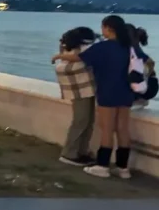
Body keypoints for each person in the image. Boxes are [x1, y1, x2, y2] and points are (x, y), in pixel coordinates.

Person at [53, 15, 149, 179]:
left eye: (103, 27)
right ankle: (123, 168)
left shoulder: (103, 47)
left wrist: (59, 56)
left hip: (108, 92)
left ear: (108, 28)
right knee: (123, 130)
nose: (102, 31)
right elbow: (147, 62)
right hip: (127, 93)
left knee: (107, 130)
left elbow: (78, 58)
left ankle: (103, 166)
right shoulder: (130, 47)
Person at [54, 27, 98, 167]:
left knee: (87, 120)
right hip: (82, 89)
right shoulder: (81, 50)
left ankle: (81, 152)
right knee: (82, 120)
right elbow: (81, 57)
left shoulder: (67, 48)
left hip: (80, 89)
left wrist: (59, 56)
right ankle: (70, 153)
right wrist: (59, 56)